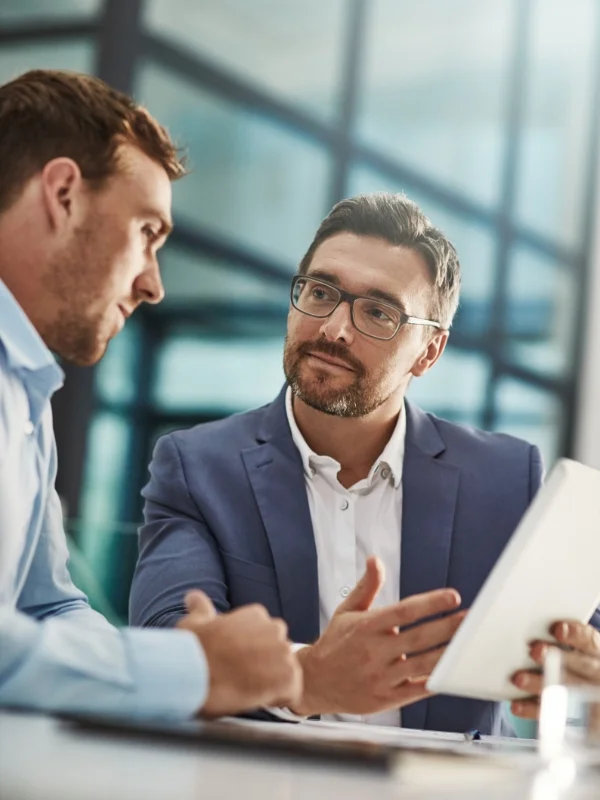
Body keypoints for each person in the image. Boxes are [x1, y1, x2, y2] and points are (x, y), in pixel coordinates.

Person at [131, 191, 579, 735]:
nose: (334, 329)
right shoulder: (196, 468)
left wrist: (587, 671)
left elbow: (582, 641)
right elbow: (167, 643)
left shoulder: (508, 480)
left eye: (377, 312)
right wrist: (306, 677)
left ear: (429, 351)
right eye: (320, 293)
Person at [0, 69, 302, 720]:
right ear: (63, 194)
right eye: (147, 233)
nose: (154, 284)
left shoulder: (25, 388)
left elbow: (48, 605)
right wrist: (183, 670)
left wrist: (193, 673)